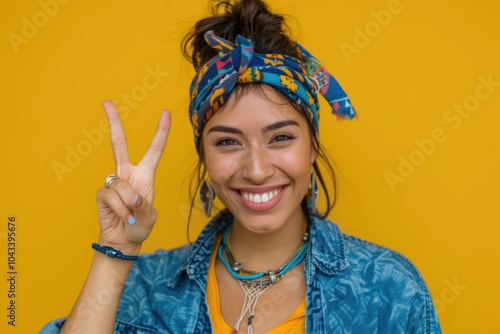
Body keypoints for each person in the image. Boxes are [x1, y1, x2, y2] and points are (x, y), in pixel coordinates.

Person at [40, 0, 441, 333]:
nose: (256, 169)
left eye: (281, 137)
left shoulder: (389, 289)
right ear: (204, 157)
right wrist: (115, 250)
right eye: (228, 142)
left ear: (313, 145)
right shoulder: (144, 288)